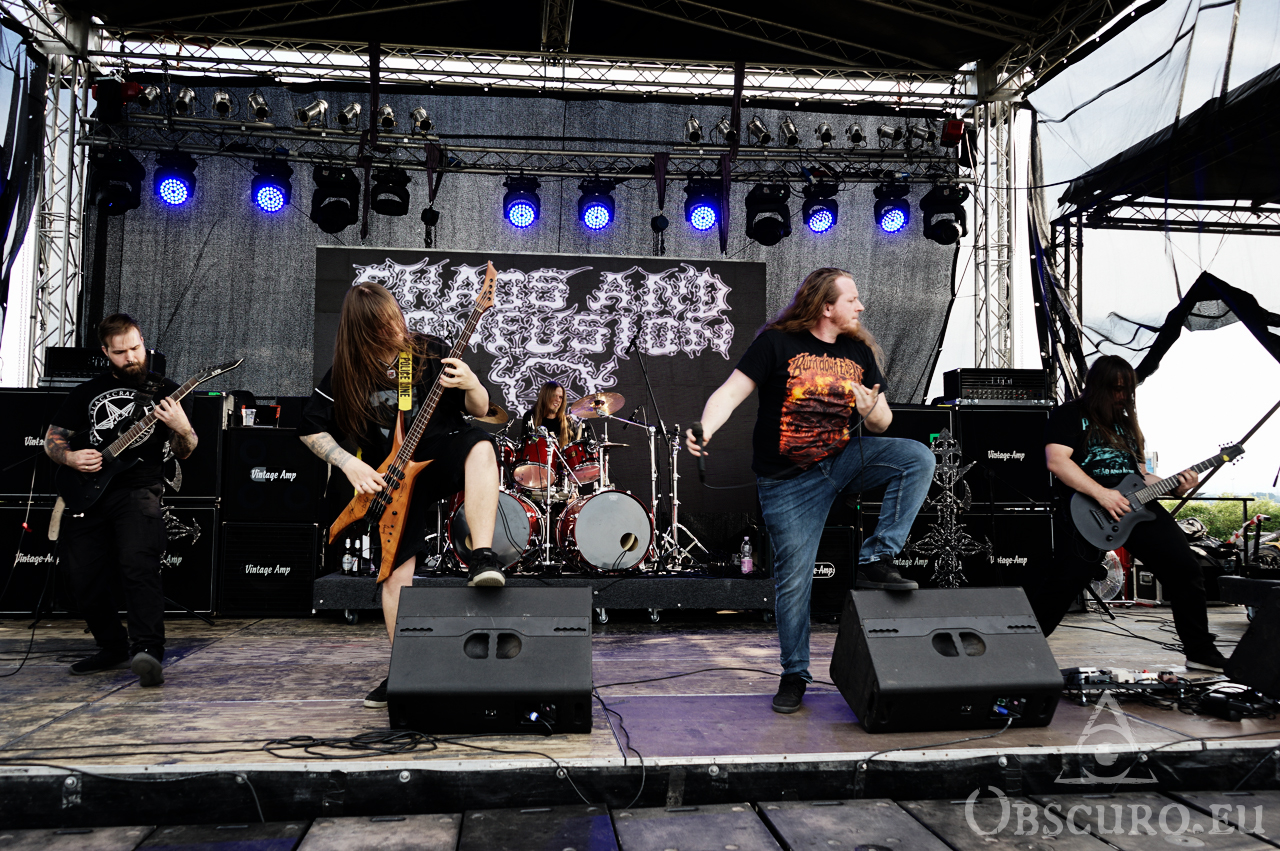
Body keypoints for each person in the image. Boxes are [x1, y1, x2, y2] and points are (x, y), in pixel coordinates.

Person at [686, 268, 936, 714]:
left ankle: (876, 557)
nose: (861, 307)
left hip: (841, 461)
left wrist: (871, 409)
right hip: (788, 482)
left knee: (917, 457)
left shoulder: (858, 351)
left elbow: (883, 423)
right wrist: (704, 428)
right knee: (794, 581)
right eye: (852, 300)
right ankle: (795, 674)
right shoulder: (776, 344)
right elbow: (730, 393)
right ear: (826, 306)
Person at [298, 282, 502, 710]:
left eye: (396, 319)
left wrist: (472, 383)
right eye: (383, 326)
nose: (396, 330)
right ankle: (404, 670)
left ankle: (482, 556)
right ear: (362, 331)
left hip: (440, 453)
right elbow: (310, 428)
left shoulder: (428, 351)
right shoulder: (346, 372)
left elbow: (481, 410)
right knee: (394, 574)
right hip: (393, 479)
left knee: (482, 446)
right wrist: (349, 464)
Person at [1031, 355, 1229, 672]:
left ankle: (1200, 651)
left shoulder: (1125, 425)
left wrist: (1176, 486)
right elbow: (1057, 461)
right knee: (1066, 581)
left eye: (1127, 389)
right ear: (1098, 386)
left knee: (1185, 569)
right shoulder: (1069, 414)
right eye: (1116, 388)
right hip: (1089, 508)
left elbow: (1140, 475)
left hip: (1137, 508)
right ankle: (1020, 651)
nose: (1123, 396)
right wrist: (1102, 493)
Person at [45, 313, 198, 687]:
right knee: (81, 576)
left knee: (138, 566)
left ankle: (148, 651)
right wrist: (70, 458)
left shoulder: (169, 392)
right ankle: (111, 645)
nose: (130, 357)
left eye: (135, 348)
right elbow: (53, 439)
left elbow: (186, 449)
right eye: (120, 352)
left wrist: (182, 427)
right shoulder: (87, 392)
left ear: (142, 341)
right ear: (105, 352)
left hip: (138, 490)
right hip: (88, 493)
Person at [520, 381, 582, 447]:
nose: (558, 400)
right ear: (545, 396)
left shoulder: (568, 421)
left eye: (560, 397)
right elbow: (526, 446)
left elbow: (576, 448)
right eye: (554, 396)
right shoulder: (531, 417)